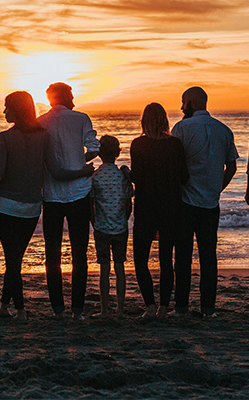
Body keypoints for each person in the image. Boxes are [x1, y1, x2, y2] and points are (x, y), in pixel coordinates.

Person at [0, 91, 93, 321]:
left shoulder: (5, 137)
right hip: (32, 208)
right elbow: (56, 172)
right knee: (15, 259)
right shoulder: (44, 136)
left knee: (13, 261)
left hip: (5, 207)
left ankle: (21, 311)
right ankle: (4, 305)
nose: (4, 112)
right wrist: (81, 171)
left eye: (7, 108)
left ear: (17, 110)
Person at [172, 87, 238, 317]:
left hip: (185, 201)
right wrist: (217, 188)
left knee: (183, 257)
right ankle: (208, 309)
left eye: (183, 102)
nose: (181, 107)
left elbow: (173, 165)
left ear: (191, 102)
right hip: (211, 202)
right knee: (208, 257)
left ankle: (181, 308)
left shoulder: (181, 128)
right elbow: (232, 167)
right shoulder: (224, 130)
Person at [37, 82, 100, 320]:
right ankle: (78, 309)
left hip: (51, 195)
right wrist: (78, 160)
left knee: (52, 253)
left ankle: (57, 308)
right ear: (64, 96)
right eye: (71, 94)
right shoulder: (81, 118)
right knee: (79, 253)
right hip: (79, 193)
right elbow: (94, 148)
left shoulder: (41, 122)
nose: (74, 99)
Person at [130, 103, 189, 319]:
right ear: (164, 120)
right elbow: (184, 177)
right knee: (166, 260)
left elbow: (137, 177)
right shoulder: (175, 145)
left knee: (141, 259)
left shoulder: (138, 144)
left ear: (144, 121)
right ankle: (164, 307)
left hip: (146, 208)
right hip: (171, 207)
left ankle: (150, 306)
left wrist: (127, 174)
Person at [91, 135, 133, 318]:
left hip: (102, 228)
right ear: (118, 153)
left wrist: (95, 223)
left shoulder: (95, 176)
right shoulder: (122, 176)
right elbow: (128, 202)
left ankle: (104, 310)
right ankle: (121, 309)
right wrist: (124, 218)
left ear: (99, 153)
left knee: (104, 270)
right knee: (120, 267)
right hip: (120, 228)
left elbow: (91, 206)